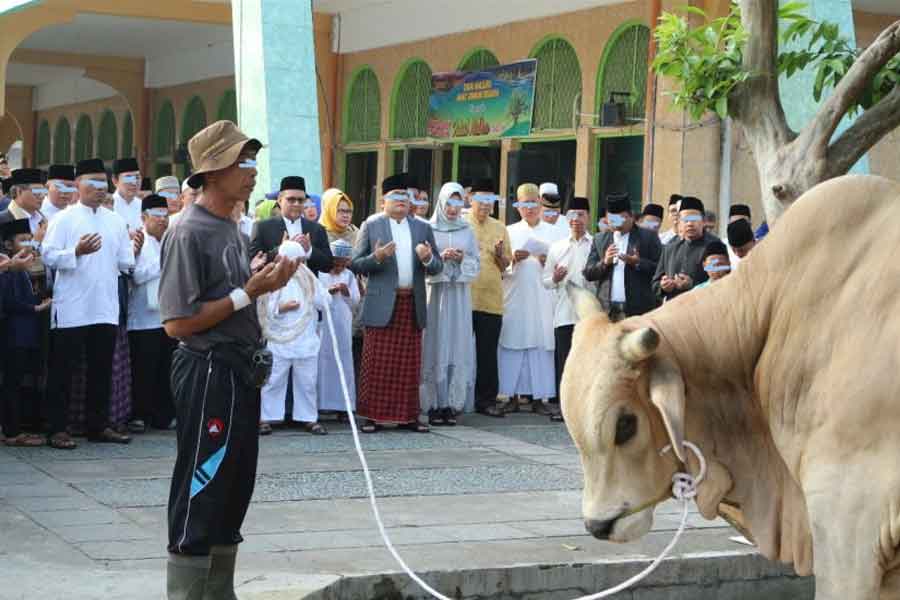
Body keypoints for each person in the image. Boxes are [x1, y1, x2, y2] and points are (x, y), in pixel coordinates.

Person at [158, 120, 298, 597]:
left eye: (253, 161)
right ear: (212, 172)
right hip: (208, 367)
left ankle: (220, 590)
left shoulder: (234, 230)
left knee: (235, 484)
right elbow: (177, 323)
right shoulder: (188, 232)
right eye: (243, 162)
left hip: (240, 369)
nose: (252, 172)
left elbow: (238, 293)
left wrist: (267, 282)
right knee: (203, 478)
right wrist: (246, 293)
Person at [42, 158, 134, 449]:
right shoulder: (64, 219)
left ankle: (98, 425)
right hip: (72, 307)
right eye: (91, 183)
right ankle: (57, 428)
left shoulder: (116, 221)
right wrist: (76, 252)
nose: (98, 189)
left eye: (102, 183)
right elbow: (49, 256)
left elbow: (124, 262)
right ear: (77, 185)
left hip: (104, 306)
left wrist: (136, 249)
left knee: (101, 369)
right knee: (63, 371)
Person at [350, 174, 443, 433]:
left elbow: (437, 267)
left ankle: (409, 416)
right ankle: (371, 416)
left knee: (409, 366)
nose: (402, 202)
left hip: (410, 304)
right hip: (381, 305)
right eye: (396, 197)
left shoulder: (422, 227)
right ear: (384, 201)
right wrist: (377, 257)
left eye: (406, 197)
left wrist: (426, 259)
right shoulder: (372, 225)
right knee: (376, 364)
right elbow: (355, 264)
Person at [421, 182, 480, 426]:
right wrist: (439, 259)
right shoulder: (428, 229)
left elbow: (476, 264)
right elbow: (422, 261)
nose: (454, 209)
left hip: (459, 294)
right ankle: (435, 403)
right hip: (436, 293)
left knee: (457, 342)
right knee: (436, 342)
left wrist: (462, 257)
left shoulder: (467, 230)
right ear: (442, 203)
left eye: (458, 203)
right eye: (450, 203)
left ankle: (453, 404)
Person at [259, 240, 330, 436]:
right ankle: (266, 417)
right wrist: (282, 308)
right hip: (279, 339)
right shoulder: (273, 277)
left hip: (306, 340)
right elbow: (263, 306)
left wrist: (315, 293)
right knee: (273, 380)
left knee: (307, 382)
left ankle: (308, 418)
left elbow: (326, 302)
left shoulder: (310, 279)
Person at [498, 183, 557, 416]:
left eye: (533, 204)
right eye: (524, 205)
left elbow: (559, 266)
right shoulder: (509, 231)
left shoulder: (553, 232)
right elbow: (500, 265)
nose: (529, 209)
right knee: (512, 342)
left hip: (542, 296)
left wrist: (546, 262)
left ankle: (539, 398)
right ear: (518, 207)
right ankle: (510, 395)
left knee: (541, 345)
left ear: (540, 205)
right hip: (516, 295)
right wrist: (513, 259)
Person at [541, 197, 594, 422]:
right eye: (572, 215)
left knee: (589, 360)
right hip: (564, 313)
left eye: (581, 214)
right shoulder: (557, 247)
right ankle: (564, 409)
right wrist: (555, 277)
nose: (576, 220)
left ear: (588, 217)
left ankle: (587, 408)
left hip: (590, 314)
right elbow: (545, 281)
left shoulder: (597, 244)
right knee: (564, 362)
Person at [127, 194, 175, 433]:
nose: (162, 221)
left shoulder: (171, 241)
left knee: (167, 367)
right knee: (144, 368)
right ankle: (139, 415)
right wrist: (163, 263)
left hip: (168, 316)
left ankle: (163, 415)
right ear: (144, 217)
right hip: (143, 317)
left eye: (165, 216)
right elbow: (135, 275)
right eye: (157, 216)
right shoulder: (137, 242)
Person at [0, 218, 50, 447]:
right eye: (23, 240)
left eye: (30, 239)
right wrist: (35, 308)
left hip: (26, 333)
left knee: (20, 381)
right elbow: (9, 302)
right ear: (9, 245)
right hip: (13, 334)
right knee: (11, 382)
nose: (28, 244)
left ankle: (17, 427)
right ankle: (11, 432)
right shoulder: (8, 269)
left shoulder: (23, 267)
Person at [466, 179, 511, 418]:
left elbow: (506, 266)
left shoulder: (500, 227)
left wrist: (501, 255)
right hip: (465, 298)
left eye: (489, 201)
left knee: (487, 353)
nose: (484, 205)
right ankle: (457, 400)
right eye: (480, 200)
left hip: (492, 298)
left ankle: (487, 400)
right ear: (470, 199)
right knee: (461, 352)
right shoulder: (461, 224)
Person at [584, 193, 662, 321]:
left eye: (621, 219)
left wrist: (638, 263)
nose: (616, 224)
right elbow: (588, 273)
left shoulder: (648, 237)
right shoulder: (600, 239)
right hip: (607, 310)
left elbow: (660, 270)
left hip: (638, 311)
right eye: (612, 219)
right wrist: (604, 262)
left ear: (631, 216)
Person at [250, 176, 333, 275]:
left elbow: (328, 265)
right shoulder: (262, 227)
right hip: (274, 287)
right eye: (291, 200)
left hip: (307, 287)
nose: (296, 204)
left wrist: (309, 250)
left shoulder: (316, 229)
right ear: (280, 200)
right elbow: (252, 264)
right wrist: (280, 250)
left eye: (301, 200)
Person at [317, 239, 360, 418]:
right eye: (336, 262)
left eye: (343, 263)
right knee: (323, 361)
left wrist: (345, 291)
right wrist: (329, 291)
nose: (339, 267)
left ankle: (344, 406)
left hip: (342, 323)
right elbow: (316, 299)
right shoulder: (320, 273)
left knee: (343, 361)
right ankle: (321, 404)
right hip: (324, 325)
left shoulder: (349, 275)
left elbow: (355, 301)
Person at [652, 196, 719, 302]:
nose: (690, 224)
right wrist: (663, 286)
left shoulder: (715, 247)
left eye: (694, 219)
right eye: (685, 220)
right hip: (673, 310)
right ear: (679, 222)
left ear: (703, 221)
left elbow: (720, 283)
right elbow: (655, 284)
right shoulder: (670, 248)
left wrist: (692, 285)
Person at [111, 158, 143, 233]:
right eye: (128, 178)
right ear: (115, 180)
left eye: (137, 177)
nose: (134, 183)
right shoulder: (108, 205)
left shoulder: (144, 206)